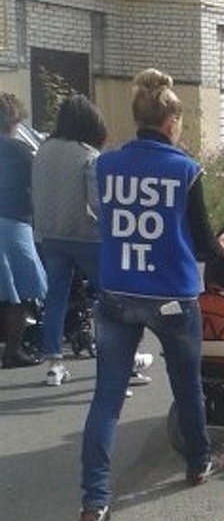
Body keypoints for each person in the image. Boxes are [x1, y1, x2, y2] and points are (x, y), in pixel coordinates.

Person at [79, 68, 224, 521]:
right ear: (171, 123)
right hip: (171, 296)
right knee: (187, 385)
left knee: (107, 398)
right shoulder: (185, 170)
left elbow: (101, 217)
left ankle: (94, 500)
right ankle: (198, 463)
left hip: (116, 292)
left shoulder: (105, 165)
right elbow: (205, 244)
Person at [32, 94, 154, 392]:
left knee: (56, 298)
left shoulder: (43, 149)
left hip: (49, 237)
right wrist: (115, 228)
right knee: (112, 298)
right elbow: (98, 203)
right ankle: (123, 360)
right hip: (85, 237)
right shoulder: (87, 155)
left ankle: (54, 364)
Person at [0, 92, 47, 368]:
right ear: (14, 121)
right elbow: (38, 188)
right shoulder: (21, 151)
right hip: (14, 224)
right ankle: (12, 351)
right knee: (21, 289)